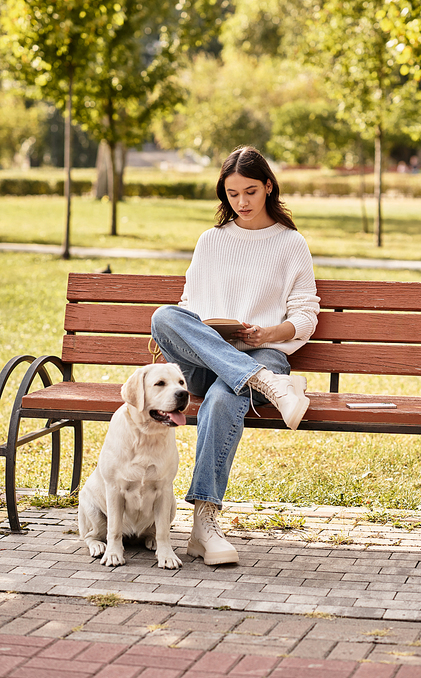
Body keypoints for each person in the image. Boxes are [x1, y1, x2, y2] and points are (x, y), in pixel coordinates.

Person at [151, 146, 320, 566]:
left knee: (226, 398)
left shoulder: (290, 243)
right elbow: (187, 305)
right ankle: (264, 382)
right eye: (231, 193)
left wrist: (268, 331)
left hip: (264, 351)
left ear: (268, 187)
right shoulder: (211, 240)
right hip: (210, 359)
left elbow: (305, 316)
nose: (241, 202)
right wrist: (203, 330)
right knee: (163, 316)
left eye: (250, 191)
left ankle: (204, 525)